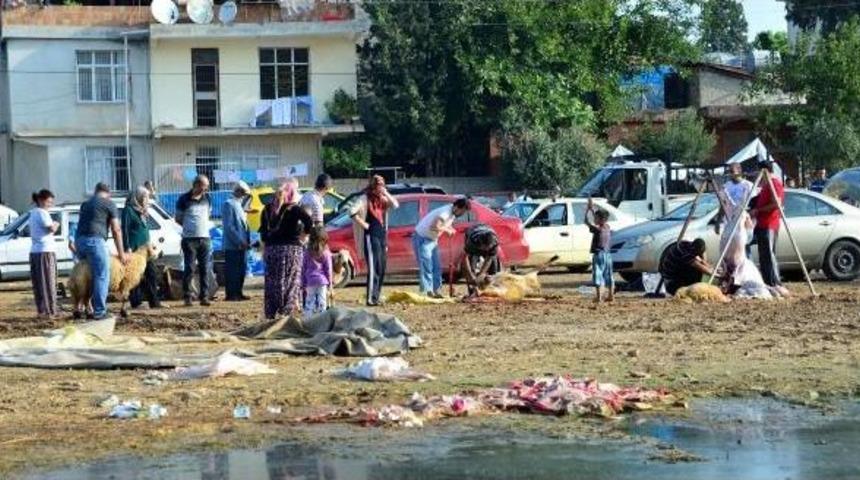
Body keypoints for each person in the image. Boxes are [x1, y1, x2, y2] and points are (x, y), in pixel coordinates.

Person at [260, 180, 312, 319]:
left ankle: (271, 313)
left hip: (272, 251)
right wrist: (304, 235)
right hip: (291, 251)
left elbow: (263, 234)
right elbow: (309, 221)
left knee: (272, 282)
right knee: (290, 282)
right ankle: (285, 312)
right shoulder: (294, 208)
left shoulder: (266, 209)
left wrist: (264, 251)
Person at [76, 183, 129, 320]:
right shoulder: (109, 204)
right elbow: (116, 230)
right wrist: (122, 254)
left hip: (79, 242)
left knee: (88, 276)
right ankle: (100, 311)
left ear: (95, 192)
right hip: (95, 241)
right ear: (108, 193)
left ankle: (85, 308)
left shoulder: (85, 204)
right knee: (102, 275)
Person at [349, 175, 399, 306]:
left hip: (381, 235)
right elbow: (351, 211)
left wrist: (386, 193)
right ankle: (370, 298)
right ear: (373, 186)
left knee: (381, 267)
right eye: (379, 185)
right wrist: (364, 224)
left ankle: (376, 296)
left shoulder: (382, 199)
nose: (381, 188)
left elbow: (395, 205)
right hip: (371, 235)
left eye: (383, 185)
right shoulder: (365, 198)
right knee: (373, 267)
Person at [413, 197, 471, 298]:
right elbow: (434, 226)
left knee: (436, 266)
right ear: (457, 207)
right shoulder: (444, 213)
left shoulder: (452, 213)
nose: (462, 214)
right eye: (463, 211)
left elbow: (444, 224)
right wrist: (447, 230)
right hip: (422, 238)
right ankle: (428, 292)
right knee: (427, 266)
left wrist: (450, 228)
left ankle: (437, 290)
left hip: (432, 239)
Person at [122, 186, 163, 311]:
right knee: (135, 277)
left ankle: (154, 302)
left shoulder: (143, 211)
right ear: (138, 197)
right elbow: (125, 230)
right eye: (145, 197)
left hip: (146, 251)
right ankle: (136, 302)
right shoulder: (128, 210)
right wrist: (127, 247)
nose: (147, 200)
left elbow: (144, 230)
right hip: (135, 249)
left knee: (152, 274)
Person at [175, 175, 213, 307]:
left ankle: (204, 296)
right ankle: (187, 296)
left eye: (207, 186)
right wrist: (190, 228)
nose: (206, 188)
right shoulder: (184, 199)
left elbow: (208, 215)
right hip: (189, 240)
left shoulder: (207, 199)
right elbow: (178, 219)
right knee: (190, 268)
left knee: (205, 268)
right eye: (204, 186)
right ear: (196, 185)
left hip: (205, 238)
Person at [750, 161, 784, 288]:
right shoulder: (765, 185)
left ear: (764, 171)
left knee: (769, 254)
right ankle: (767, 282)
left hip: (769, 224)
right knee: (764, 255)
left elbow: (776, 204)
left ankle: (775, 282)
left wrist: (758, 210)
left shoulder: (774, 184)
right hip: (761, 224)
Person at [29, 189, 59, 318]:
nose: (50, 205)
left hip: (35, 251)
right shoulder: (42, 213)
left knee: (39, 283)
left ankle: (41, 310)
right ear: (41, 200)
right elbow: (51, 228)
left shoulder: (33, 213)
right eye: (48, 202)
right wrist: (56, 224)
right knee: (48, 281)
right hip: (45, 251)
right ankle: (50, 311)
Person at [221, 181, 252, 302]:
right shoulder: (228, 204)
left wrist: (246, 240)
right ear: (238, 191)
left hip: (242, 244)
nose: (245, 196)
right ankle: (231, 294)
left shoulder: (239, 205)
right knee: (232, 270)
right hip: (233, 245)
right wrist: (239, 241)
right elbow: (229, 227)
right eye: (244, 193)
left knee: (241, 270)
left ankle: (238, 292)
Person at [584, 198, 614, 303]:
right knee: (609, 275)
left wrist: (588, 210)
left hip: (599, 255)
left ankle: (599, 297)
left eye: (596, 218)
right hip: (608, 255)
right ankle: (610, 295)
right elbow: (597, 220)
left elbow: (586, 221)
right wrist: (592, 210)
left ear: (601, 219)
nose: (594, 219)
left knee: (598, 275)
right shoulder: (607, 227)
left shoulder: (597, 229)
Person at [302, 225, 333, 318]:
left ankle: (308, 319)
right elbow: (328, 269)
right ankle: (321, 319)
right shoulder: (326, 253)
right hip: (322, 281)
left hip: (310, 280)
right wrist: (330, 283)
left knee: (309, 301)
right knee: (322, 302)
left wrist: (303, 283)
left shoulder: (307, 252)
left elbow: (303, 268)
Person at [462, 223, 500, 296]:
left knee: (493, 269)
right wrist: (471, 277)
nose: (486, 250)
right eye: (485, 248)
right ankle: (472, 291)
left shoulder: (494, 243)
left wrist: (481, 274)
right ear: (481, 244)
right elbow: (464, 259)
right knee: (472, 265)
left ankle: (492, 289)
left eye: (488, 248)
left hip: (487, 231)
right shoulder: (472, 242)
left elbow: (489, 259)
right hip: (472, 233)